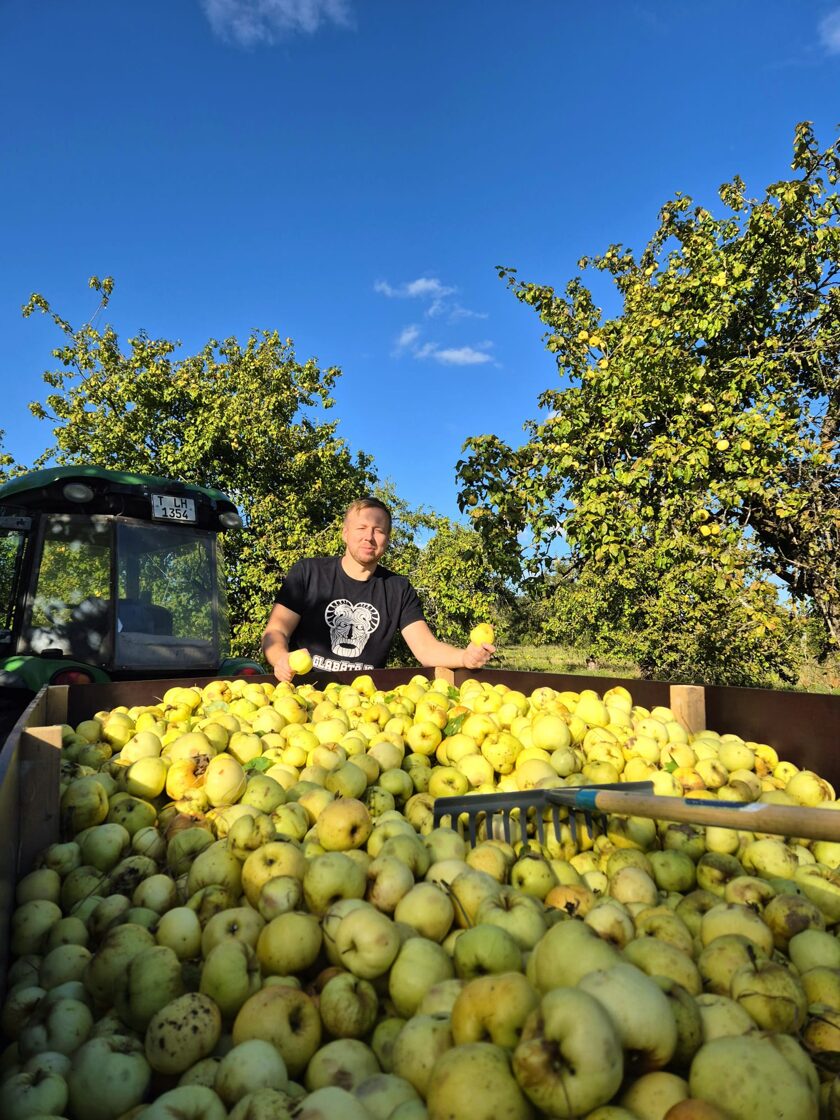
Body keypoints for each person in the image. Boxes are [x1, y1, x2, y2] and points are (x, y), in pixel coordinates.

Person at [261, 497, 496, 681]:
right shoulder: (308, 573)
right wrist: (281, 659)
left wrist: (465, 657)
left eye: (378, 530)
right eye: (361, 527)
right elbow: (276, 631)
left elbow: (426, 648)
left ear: (387, 539)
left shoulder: (398, 589)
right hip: (304, 695)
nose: (369, 537)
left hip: (367, 702)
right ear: (345, 533)